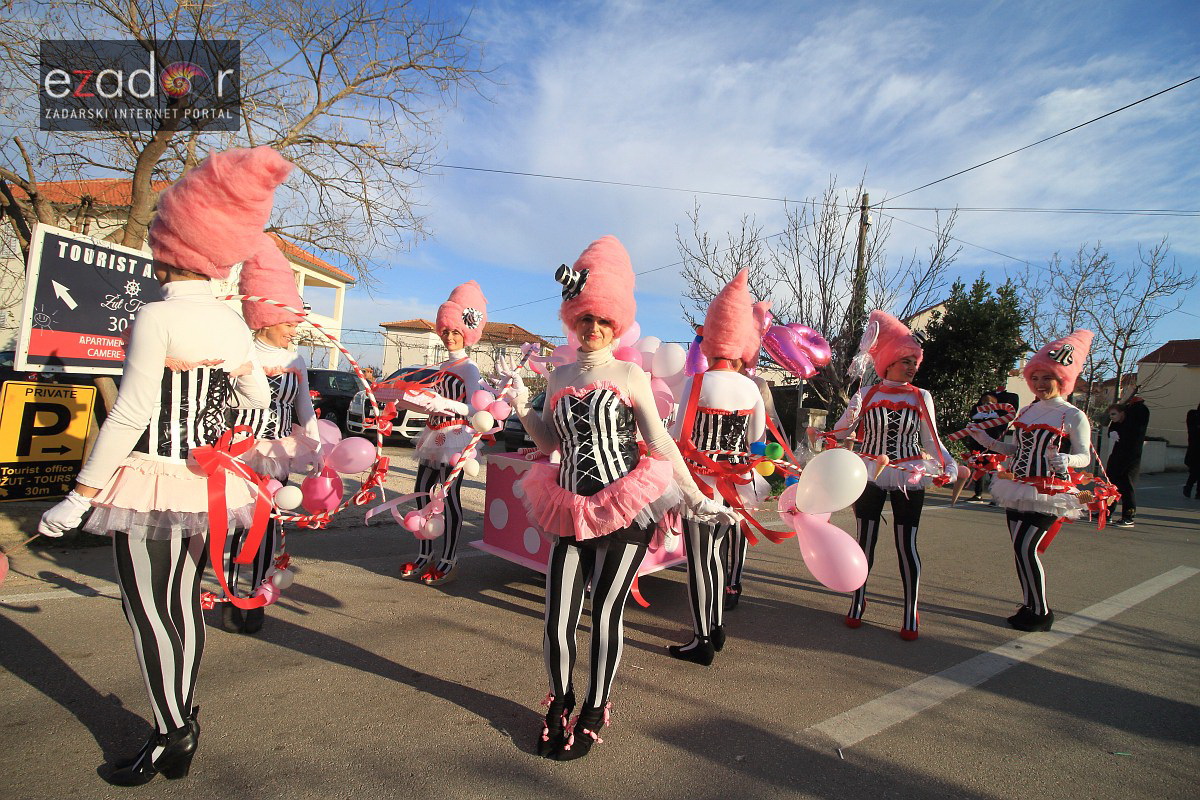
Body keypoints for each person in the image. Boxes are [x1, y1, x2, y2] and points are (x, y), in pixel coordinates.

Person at [37, 147, 287, 785]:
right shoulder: (232, 325)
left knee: (150, 611)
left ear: (172, 243)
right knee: (179, 604)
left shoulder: (157, 315)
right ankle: (180, 717)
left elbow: (127, 416)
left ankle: (174, 732)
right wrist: (228, 434)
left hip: (151, 479)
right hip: (205, 487)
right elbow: (260, 401)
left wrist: (80, 494)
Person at [504, 235, 734, 761]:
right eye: (584, 319)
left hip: (626, 504)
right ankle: (559, 702)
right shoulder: (558, 376)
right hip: (568, 504)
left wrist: (694, 497)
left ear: (615, 322)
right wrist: (521, 404)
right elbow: (549, 443)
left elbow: (657, 442)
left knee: (606, 612)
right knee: (557, 614)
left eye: (602, 321)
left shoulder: (631, 373)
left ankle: (595, 706)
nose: (593, 329)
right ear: (573, 318)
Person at [831, 310, 956, 641]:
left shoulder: (920, 396)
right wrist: (851, 413)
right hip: (869, 473)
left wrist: (949, 466)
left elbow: (932, 440)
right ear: (888, 363)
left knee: (906, 544)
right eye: (906, 361)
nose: (912, 367)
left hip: (909, 474)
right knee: (865, 541)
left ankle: (910, 609)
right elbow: (840, 431)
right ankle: (858, 601)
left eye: (915, 362)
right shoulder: (867, 394)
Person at [669, 269, 769, 664]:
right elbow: (757, 442)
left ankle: (702, 637)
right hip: (739, 485)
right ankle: (716, 627)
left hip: (700, 484)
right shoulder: (752, 388)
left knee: (699, 560)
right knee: (716, 556)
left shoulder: (695, 383)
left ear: (710, 343)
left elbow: (676, 438)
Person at [223, 241, 322, 634]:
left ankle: (258, 596)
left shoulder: (295, 360)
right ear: (265, 318)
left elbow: (304, 409)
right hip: (240, 452)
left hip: (278, 453)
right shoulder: (239, 350)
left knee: (266, 525)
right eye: (288, 322)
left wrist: (316, 449)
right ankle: (232, 594)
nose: (294, 329)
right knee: (236, 524)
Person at [968, 330, 1094, 633]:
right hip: (1019, 487)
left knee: (1027, 548)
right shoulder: (1028, 410)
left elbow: (1084, 456)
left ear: (1062, 379)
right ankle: (1029, 604)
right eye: (1034, 378)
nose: (1039, 384)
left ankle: (1041, 611)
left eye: (1046, 378)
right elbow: (1016, 450)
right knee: (1019, 549)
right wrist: (985, 439)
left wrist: (1067, 460)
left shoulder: (1073, 415)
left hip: (1050, 491)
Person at [393, 281, 489, 585]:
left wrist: (445, 403)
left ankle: (449, 558)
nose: (449, 337)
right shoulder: (435, 366)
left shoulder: (470, 369)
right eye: (446, 331)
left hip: (457, 439)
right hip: (433, 437)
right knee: (422, 495)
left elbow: (476, 410)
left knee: (448, 500)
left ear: (468, 333)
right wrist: (411, 400)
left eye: (456, 332)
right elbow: (429, 404)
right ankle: (425, 553)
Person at [1107, 394, 1149, 527]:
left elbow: (1133, 430)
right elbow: (1113, 428)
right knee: (1111, 483)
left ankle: (1129, 515)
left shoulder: (1138, 413)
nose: (1112, 417)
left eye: (1114, 414)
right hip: (1118, 455)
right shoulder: (1119, 424)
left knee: (1126, 484)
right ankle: (1107, 512)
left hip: (1130, 456)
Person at [965, 390, 1012, 502]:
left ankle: (996, 496)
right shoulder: (977, 414)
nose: (986, 405)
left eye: (989, 403)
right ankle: (978, 494)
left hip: (993, 445)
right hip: (977, 445)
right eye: (984, 403)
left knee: (994, 471)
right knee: (978, 468)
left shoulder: (999, 415)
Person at [1185, 403, 1200, 499]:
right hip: (1195, 450)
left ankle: (1195, 491)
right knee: (1196, 471)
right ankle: (1189, 487)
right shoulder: (1193, 415)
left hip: (1194, 450)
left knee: (1196, 471)